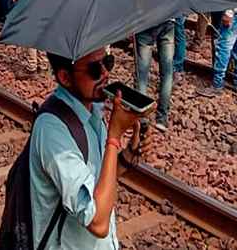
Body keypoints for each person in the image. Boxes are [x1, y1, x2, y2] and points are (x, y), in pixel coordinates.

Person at [29, 48, 148, 248]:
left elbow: (100, 177)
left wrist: (129, 152)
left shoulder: (93, 111)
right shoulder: (52, 131)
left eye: (107, 62)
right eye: (94, 69)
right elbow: (98, 223)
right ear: (65, 77)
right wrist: (114, 138)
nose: (105, 74)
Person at [134, 20, 175, 132]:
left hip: (147, 20)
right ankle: (162, 118)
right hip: (169, 21)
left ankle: (142, 117)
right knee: (167, 73)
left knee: (141, 74)